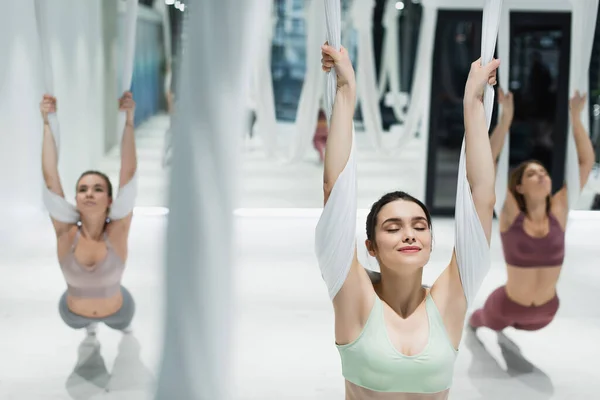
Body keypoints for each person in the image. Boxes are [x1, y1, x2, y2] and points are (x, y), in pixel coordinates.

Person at [316, 41, 499, 399]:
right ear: (370, 246)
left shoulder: (450, 298)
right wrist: (345, 90)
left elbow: (482, 197)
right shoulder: (354, 295)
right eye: (393, 227)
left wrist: (473, 106)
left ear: (430, 240)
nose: (409, 234)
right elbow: (333, 189)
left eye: (419, 226)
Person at [469, 90, 596, 333]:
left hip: (547, 312)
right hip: (506, 308)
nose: (541, 176)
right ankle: (473, 324)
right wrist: (506, 120)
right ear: (519, 187)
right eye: (531, 174)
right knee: (477, 322)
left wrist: (576, 119)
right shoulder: (511, 214)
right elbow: (487, 161)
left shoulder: (559, 209)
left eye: (543, 173)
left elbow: (585, 162)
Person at [40, 91, 138, 337]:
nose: (89, 194)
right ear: (76, 200)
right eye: (82, 190)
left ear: (109, 200)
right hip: (73, 315)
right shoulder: (66, 233)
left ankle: (110, 329)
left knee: (126, 336)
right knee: (86, 332)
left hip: (119, 311)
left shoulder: (118, 231)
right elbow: (50, 179)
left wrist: (128, 122)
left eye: (97, 189)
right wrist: (46, 123)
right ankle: (89, 331)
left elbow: (129, 174)